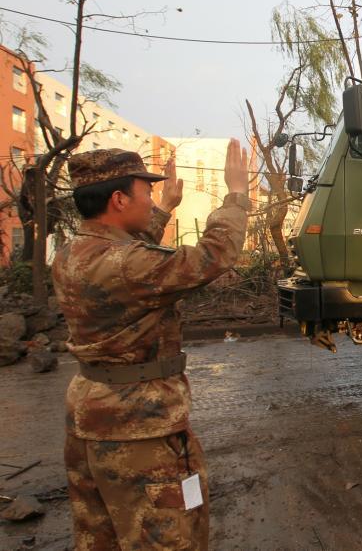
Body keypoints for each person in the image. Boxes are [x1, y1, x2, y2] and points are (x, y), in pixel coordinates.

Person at [53, 140, 250, 550]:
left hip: (93, 419)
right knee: (167, 535)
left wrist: (163, 209)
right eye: (146, 193)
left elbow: (132, 263)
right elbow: (212, 257)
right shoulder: (125, 264)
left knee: (101, 536)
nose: (150, 199)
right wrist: (236, 195)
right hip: (140, 430)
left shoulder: (74, 252)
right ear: (119, 198)